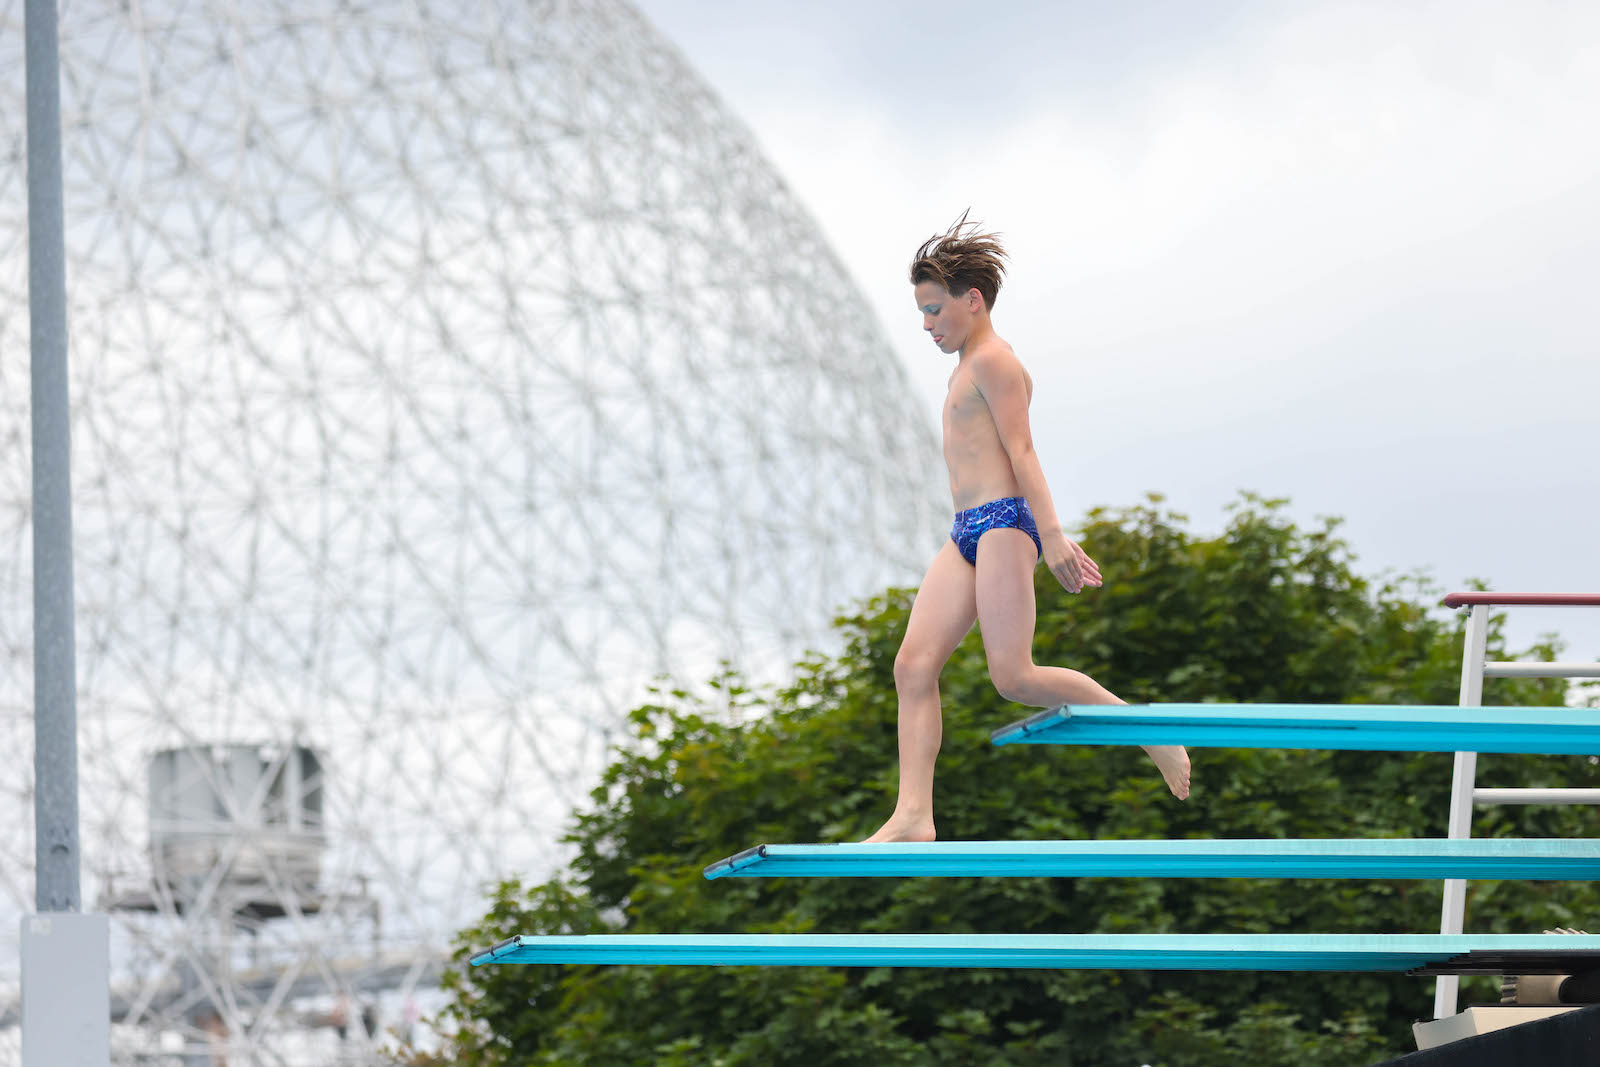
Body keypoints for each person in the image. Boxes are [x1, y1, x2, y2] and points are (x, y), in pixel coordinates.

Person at [864, 214, 1191, 844]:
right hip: (965, 530)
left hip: (1004, 526)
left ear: (973, 300)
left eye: (934, 310)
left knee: (1014, 677)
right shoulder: (964, 366)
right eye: (922, 314)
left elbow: (1023, 451)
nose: (927, 326)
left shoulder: (995, 362)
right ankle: (913, 815)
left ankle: (1151, 732)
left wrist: (1053, 535)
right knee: (912, 665)